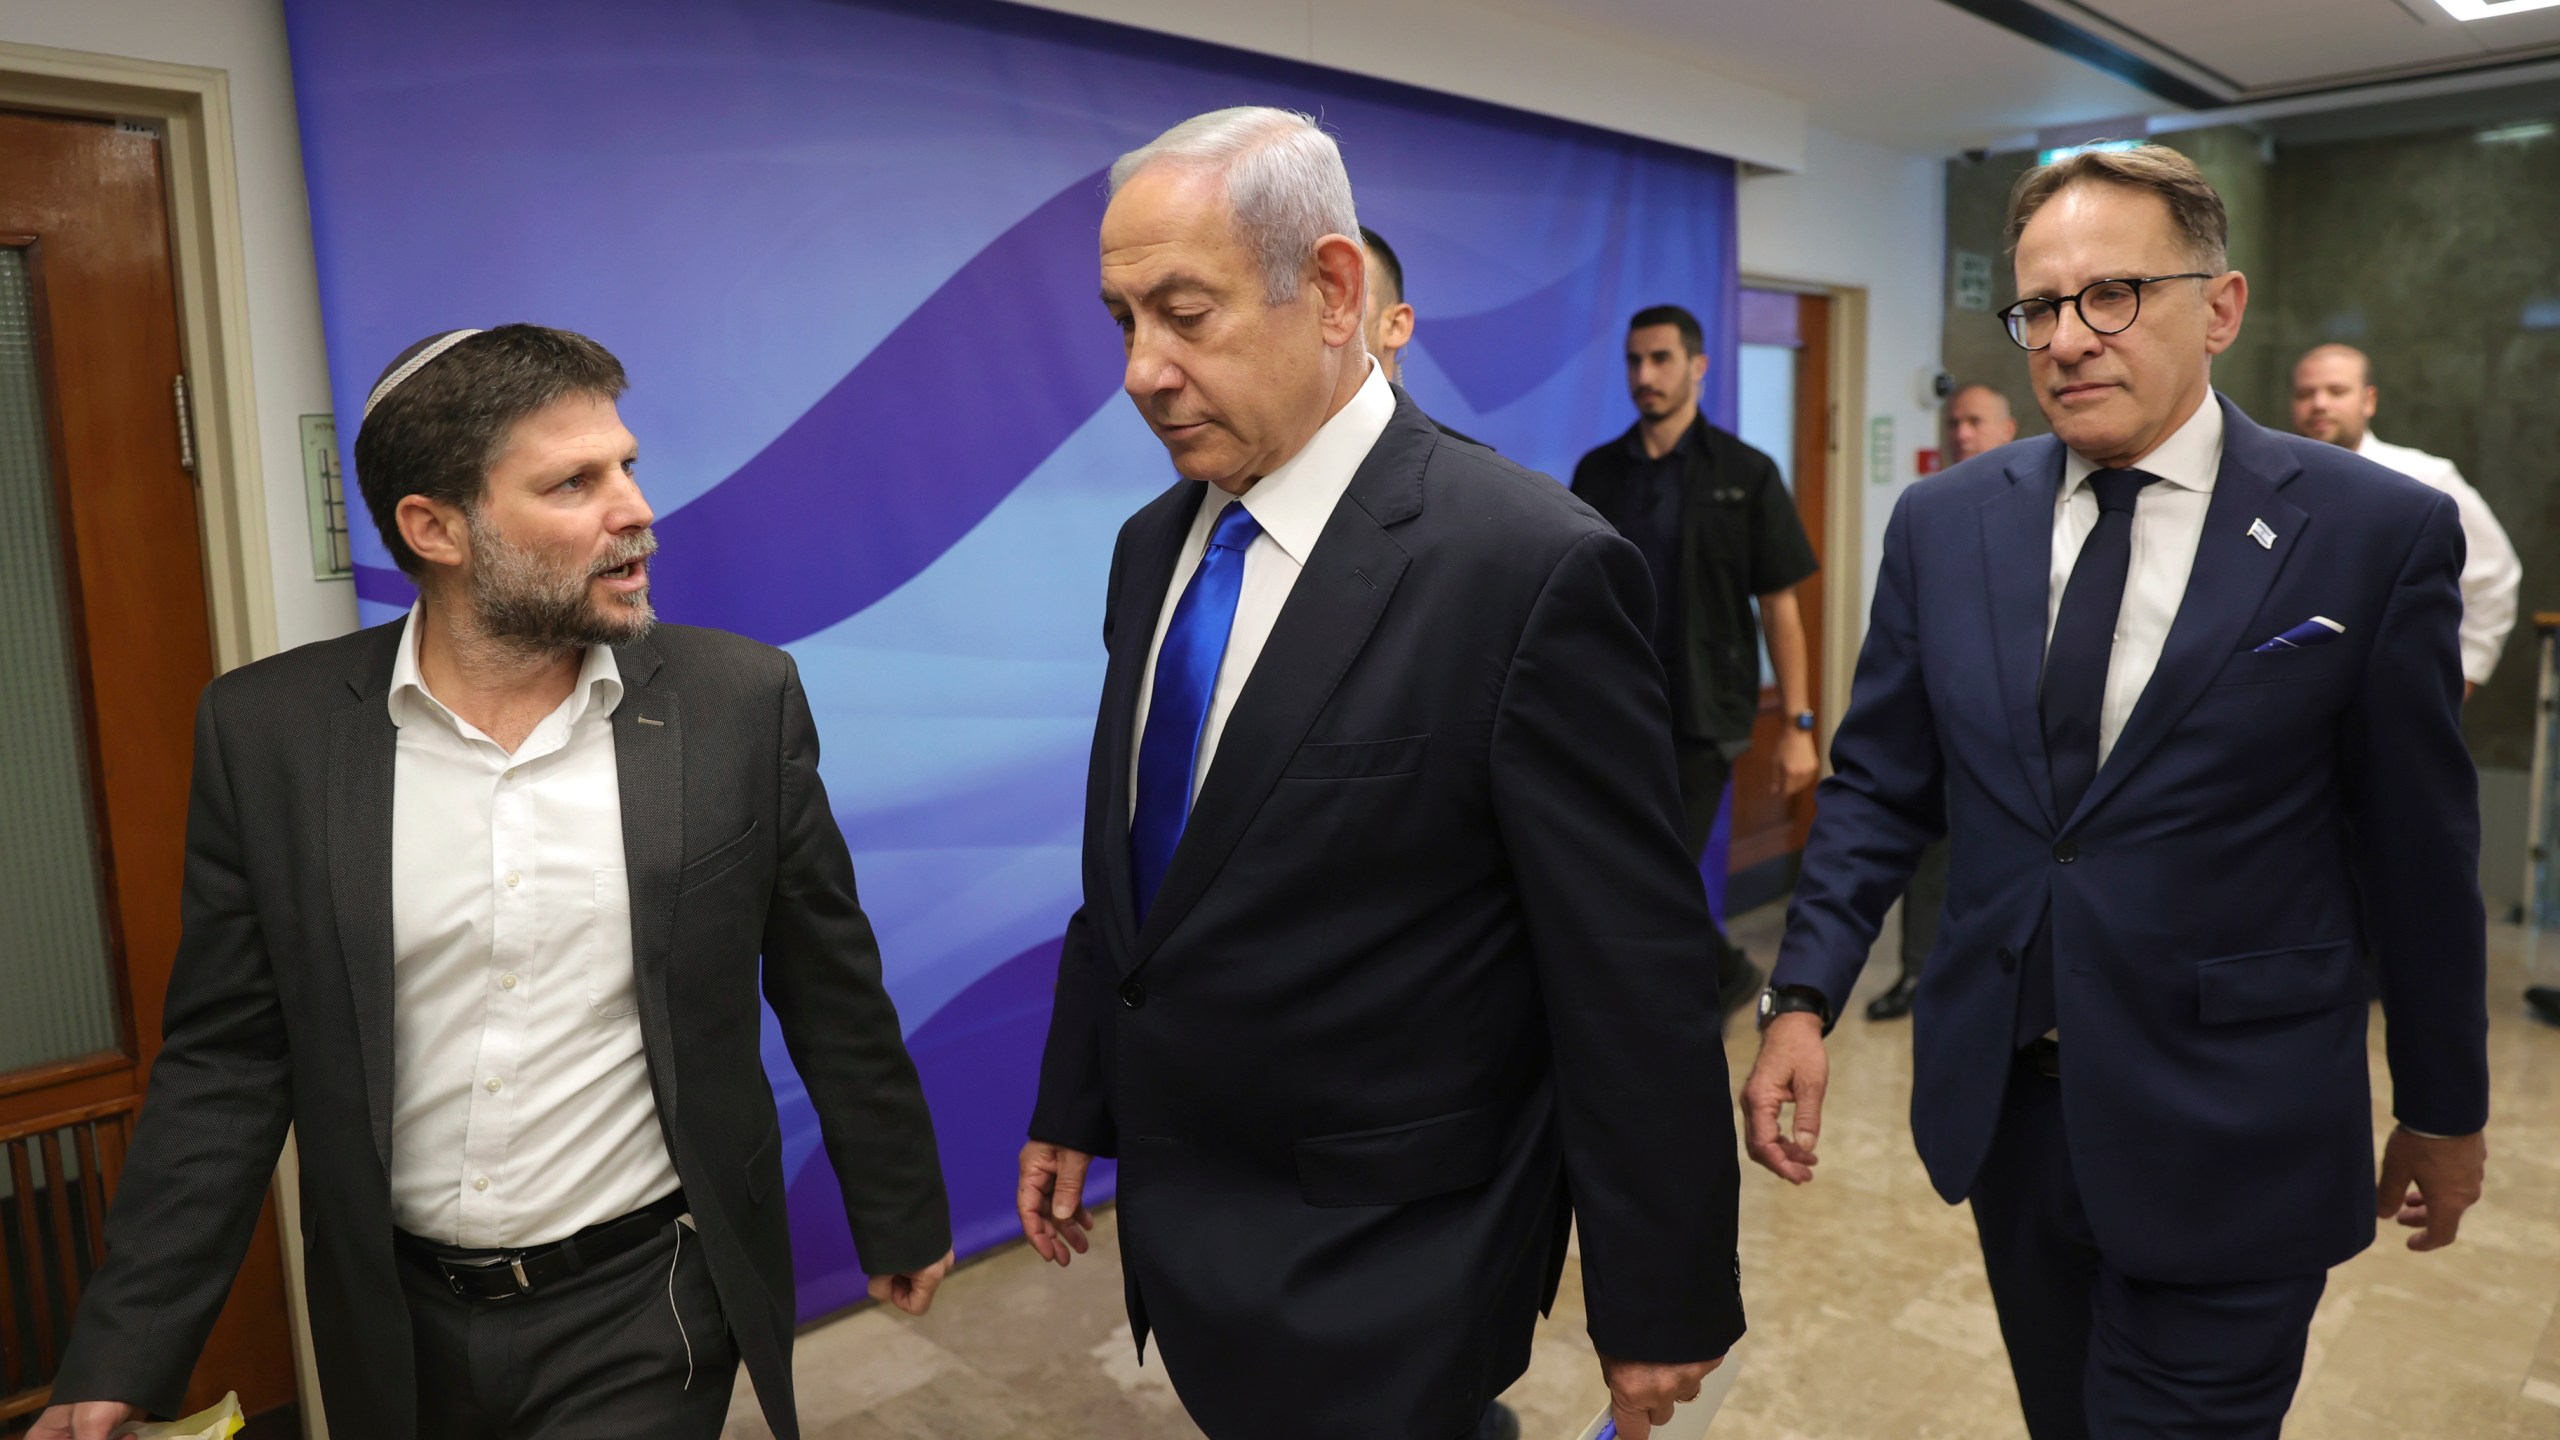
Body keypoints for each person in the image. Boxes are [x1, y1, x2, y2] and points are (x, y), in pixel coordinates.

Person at [34, 326, 954, 1440]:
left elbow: (826, 977)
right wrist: (123, 1351)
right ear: (435, 528)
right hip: (394, 1323)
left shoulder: (735, 703)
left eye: (625, 465)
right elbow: (227, 1055)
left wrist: (897, 1208)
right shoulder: (267, 733)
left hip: (646, 1301)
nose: (634, 510)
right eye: (575, 482)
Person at [1742, 144, 2489, 1438]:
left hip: (2235, 1127)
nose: (2068, 339)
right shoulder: (1946, 524)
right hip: (2017, 1118)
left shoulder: (2371, 535)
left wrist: (2443, 1107)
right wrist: (1801, 996)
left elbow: (2418, 851)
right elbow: (1877, 786)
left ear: (2220, 306)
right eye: (2039, 307)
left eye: (2114, 295)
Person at [1018, 107, 1741, 1440]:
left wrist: (1662, 1297)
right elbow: (1141, 871)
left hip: (1396, 1257)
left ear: (1336, 291)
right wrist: (1078, 1097)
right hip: (1193, 1235)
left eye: (1184, 314)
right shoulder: (1149, 551)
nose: (1141, 370)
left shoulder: (1526, 568)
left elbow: (1631, 973)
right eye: (1124, 321)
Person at [1570, 304, 1820, 1014]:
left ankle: (1716, 984)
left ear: (1697, 367)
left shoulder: (1746, 474)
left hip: (1706, 714)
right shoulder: (1600, 473)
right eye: (1634, 361)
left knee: (1658, 867)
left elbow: (1780, 606)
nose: (1645, 376)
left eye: (1661, 360)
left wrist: (1800, 725)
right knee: (1624, 865)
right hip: (1615, 711)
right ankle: (1704, 981)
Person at [1869, 383, 2020, 1023]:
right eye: (1954, 422)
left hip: (2013, 726)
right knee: (1929, 856)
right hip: (1936, 713)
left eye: (1976, 421)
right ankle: (1915, 972)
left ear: (2008, 429)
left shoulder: (2040, 507)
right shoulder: (1930, 513)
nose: (1962, 433)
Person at [2291, 342, 2519, 699]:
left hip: (2400, 688)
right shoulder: (2277, 482)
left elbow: (2494, 576)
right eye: (2306, 393)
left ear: (2369, 400)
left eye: (2336, 391)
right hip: (2297, 691)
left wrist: (2464, 674)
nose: (2319, 403)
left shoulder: (2424, 479)